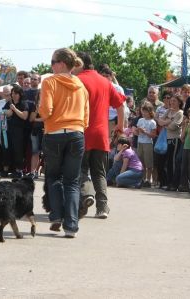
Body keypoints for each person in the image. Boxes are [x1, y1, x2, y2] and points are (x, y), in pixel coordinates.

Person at [39, 48, 89, 238]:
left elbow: (46, 111)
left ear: (61, 63)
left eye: (53, 62)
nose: (51, 66)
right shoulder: (81, 85)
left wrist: (41, 113)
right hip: (77, 133)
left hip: (54, 133)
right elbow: (86, 116)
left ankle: (56, 216)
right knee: (72, 182)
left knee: (53, 177)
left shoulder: (49, 82)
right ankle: (71, 226)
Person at [73, 51, 125, 219]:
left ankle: (87, 194)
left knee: (80, 169)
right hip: (101, 134)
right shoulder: (105, 82)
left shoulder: (77, 80)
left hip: (81, 133)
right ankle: (102, 208)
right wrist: (120, 126)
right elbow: (121, 105)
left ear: (79, 64)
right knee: (100, 172)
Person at [157, 94, 184, 191]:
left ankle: (174, 183)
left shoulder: (180, 113)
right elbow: (159, 121)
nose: (172, 102)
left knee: (173, 162)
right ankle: (169, 183)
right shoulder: (168, 110)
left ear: (179, 103)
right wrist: (169, 121)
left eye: (174, 101)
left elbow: (174, 127)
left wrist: (165, 123)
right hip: (166, 139)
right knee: (167, 162)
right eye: (171, 101)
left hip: (175, 140)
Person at [3, 84, 29, 178]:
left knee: (18, 150)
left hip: (19, 130)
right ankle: (6, 170)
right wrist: (8, 111)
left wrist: (14, 109)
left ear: (20, 94)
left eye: (16, 93)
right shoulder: (9, 102)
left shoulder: (23, 103)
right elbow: (6, 113)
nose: (14, 95)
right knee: (7, 149)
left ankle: (18, 170)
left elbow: (24, 116)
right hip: (8, 129)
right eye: (13, 93)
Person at [133, 101, 157, 187]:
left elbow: (153, 135)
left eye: (145, 111)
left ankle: (148, 179)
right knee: (141, 161)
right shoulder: (140, 120)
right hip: (140, 143)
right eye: (142, 111)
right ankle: (142, 179)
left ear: (150, 111)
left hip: (148, 144)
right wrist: (137, 130)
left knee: (148, 162)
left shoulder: (152, 122)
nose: (143, 113)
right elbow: (136, 132)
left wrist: (145, 132)